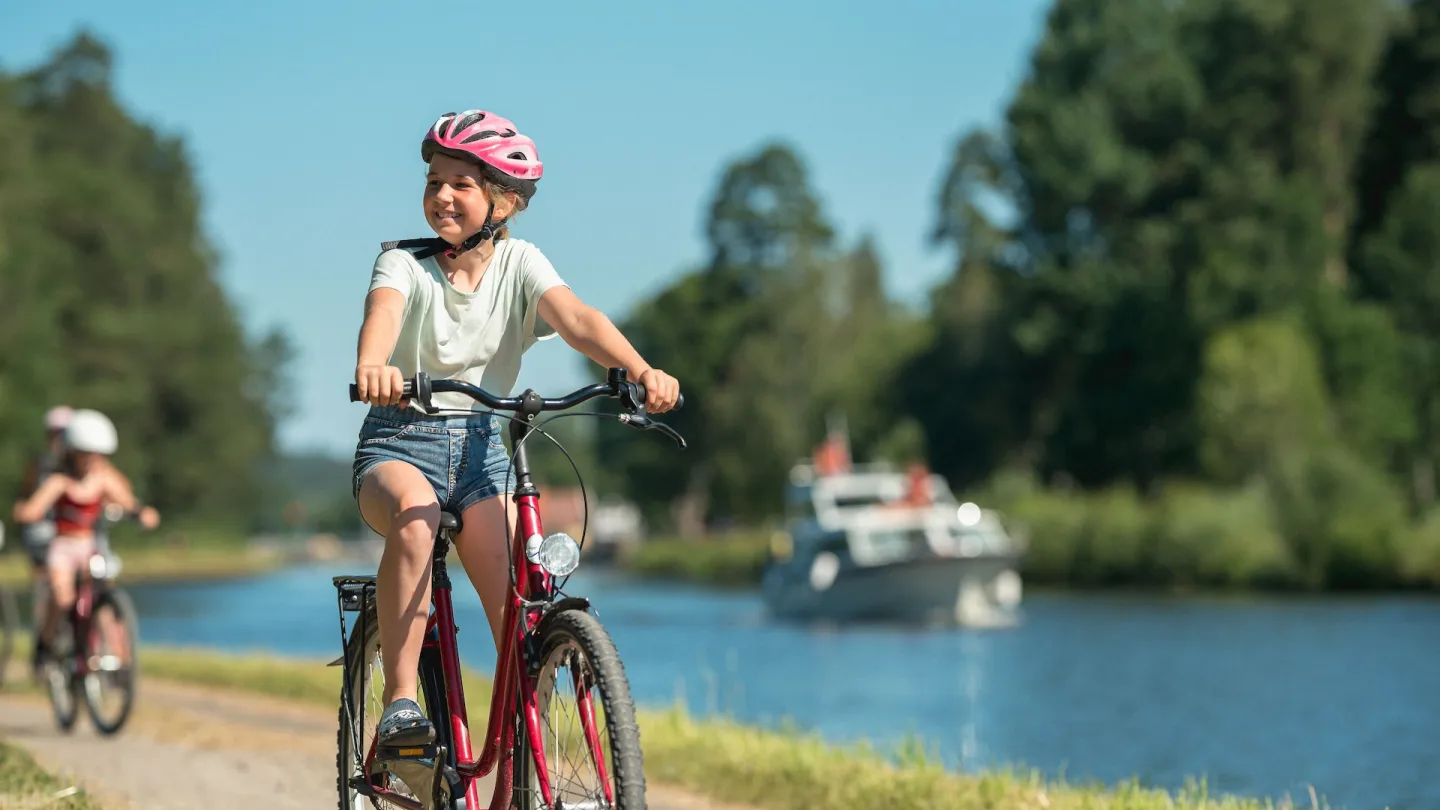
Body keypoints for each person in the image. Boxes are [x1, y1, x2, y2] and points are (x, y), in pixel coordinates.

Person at [351, 109, 680, 747]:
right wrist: (372, 365)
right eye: (432, 181)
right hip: (398, 441)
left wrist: (640, 369)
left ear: (502, 201)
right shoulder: (403, 264)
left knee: (521, 622)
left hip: (483, 454)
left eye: (460, 184)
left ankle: (520, 769)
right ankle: (399, 705)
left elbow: (579, 319)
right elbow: (383, 314)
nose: (441, 195)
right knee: (416, 516)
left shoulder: (522, 264)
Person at [12, 409, 159, 666]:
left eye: (97, 454)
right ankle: (45, 646)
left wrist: (142, 513)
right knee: (62, 598)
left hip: (90, 546)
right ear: (74, 453)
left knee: (102, 589)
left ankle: (109, 653)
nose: (92, 459)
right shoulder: (60, 481)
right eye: (86, 453)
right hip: (63, 547)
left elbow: (127, 501)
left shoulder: (102, 479)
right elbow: (36, 505)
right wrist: (27, 513)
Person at [15, 406, 74, 574]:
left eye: (64, 433)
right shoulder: (40, 464)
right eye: (56, 433)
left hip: (76, 531)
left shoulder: (85, 464)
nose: (60, 439)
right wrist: (24, 510)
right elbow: (25, 496)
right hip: (45, 530)